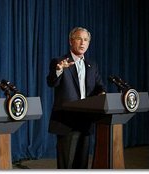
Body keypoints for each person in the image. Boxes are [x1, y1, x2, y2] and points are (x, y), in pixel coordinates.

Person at [47, 27, 106, 169]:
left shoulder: (92, 65)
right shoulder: (60, 61)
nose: (82, 43)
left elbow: (99, 86)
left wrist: (102, 94)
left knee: (82, 164)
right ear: (71, 41)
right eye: (79, 39)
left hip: (85, 121)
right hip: (67, 122)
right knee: (66, 165)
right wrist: (59, 70)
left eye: (86, 40)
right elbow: (51, 82)